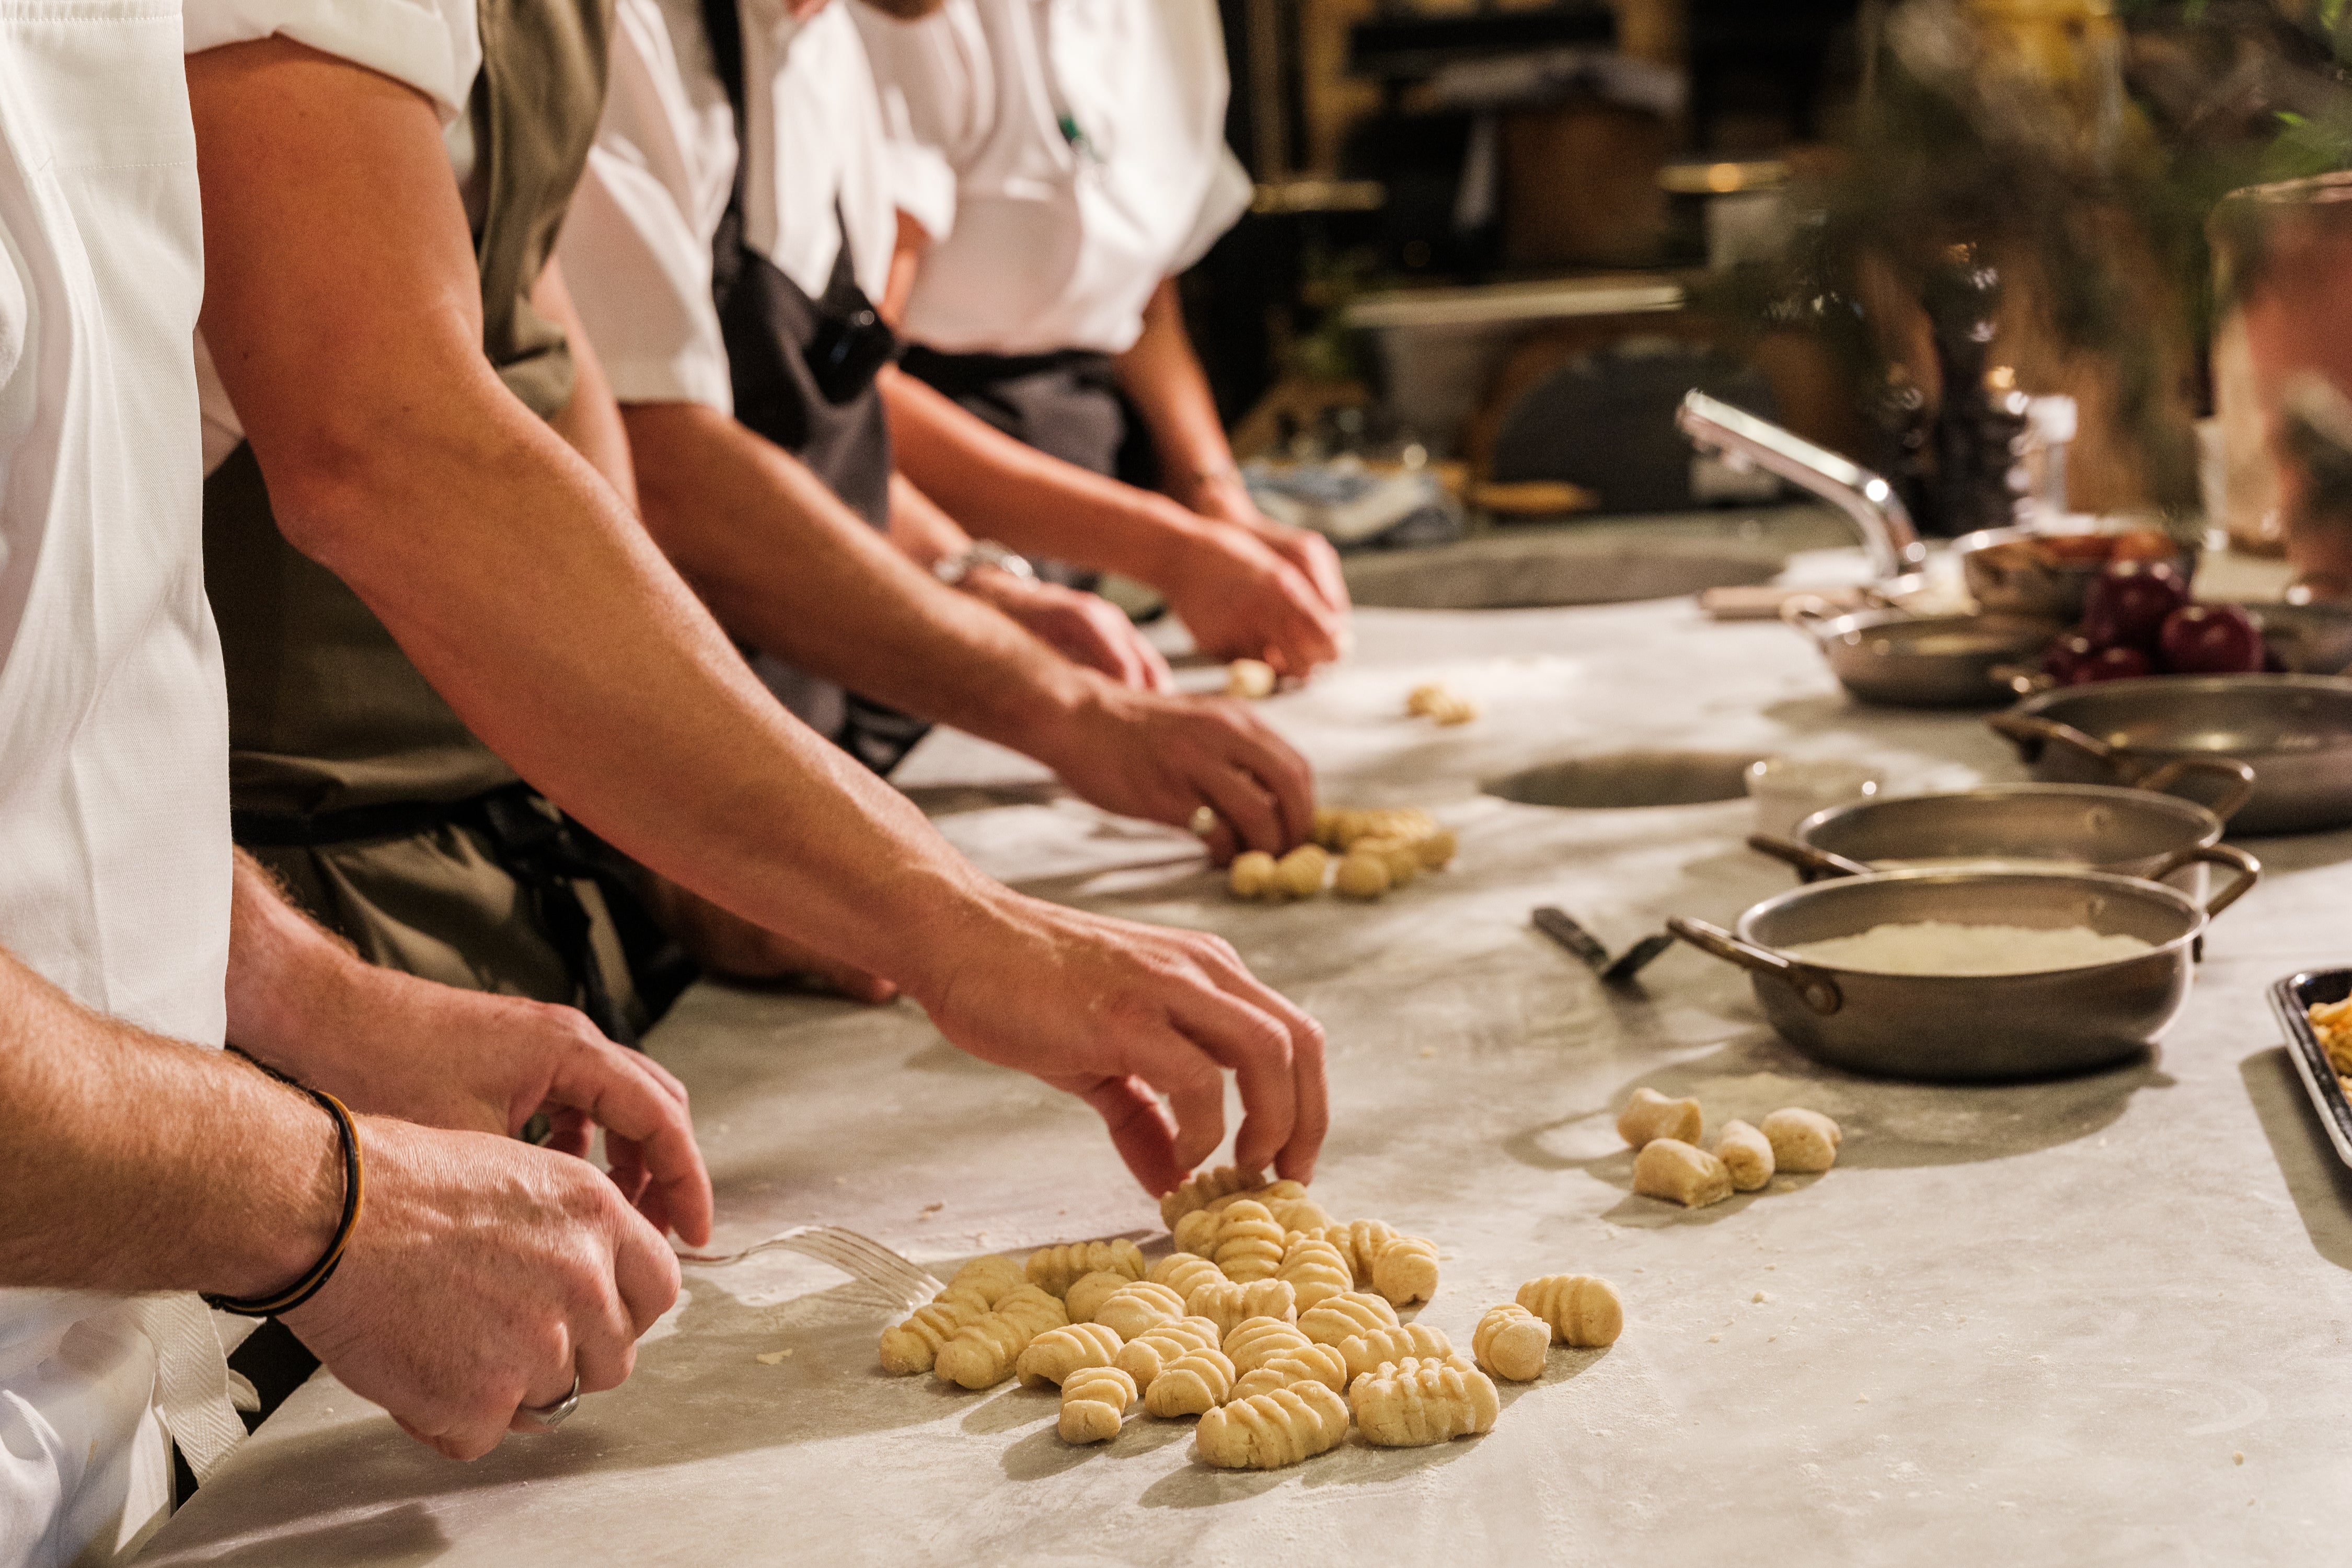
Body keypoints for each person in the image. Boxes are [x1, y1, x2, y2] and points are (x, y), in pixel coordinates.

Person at [185, 0, 1327, 1179]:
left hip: (516, 842)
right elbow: (392, 448)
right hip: (321, 857)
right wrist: (952, 917)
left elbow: (557, 383)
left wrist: (668, 834)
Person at [0, 19, 708, 1562]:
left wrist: (311, 1006)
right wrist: (326, 1201)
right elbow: (380, 432)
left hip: (99, 1416)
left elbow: (56, 708)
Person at [550, 0, 1318, 860]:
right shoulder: (624, 39)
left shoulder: (826, 51)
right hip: (645, 752)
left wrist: (977, 581)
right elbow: (663, 471)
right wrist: (1063, 707)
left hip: (803, 696)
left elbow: (835, 426)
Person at [854, 0, 1352, 672]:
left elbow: (1145, 306)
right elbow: (850, 401)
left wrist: (1217, 502)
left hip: (1082, 482)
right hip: (902, 498)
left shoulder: (1167, 19)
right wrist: (1169, 552)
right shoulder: (912, 18)